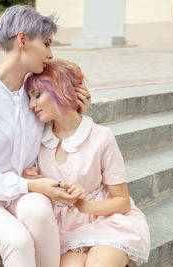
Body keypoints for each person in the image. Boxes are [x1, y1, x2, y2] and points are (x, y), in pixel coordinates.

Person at [0, 5, 91, 267]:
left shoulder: (36, 98)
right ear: (22, 40)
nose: (50, 55)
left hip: (24, 192)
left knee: (40, 211)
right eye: (47, 43)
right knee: (18, 241)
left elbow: (56, 141)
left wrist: (74, 115)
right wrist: (28, 185)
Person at [24, 58, 151, 267]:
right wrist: (32, 181)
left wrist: (86, 205)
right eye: (30, 97)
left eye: (38, 95)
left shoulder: (101, 137)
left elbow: (122, 201)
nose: (32, 105)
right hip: (63, 231)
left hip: (106, 220)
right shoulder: (36, 140)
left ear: (60, 90)